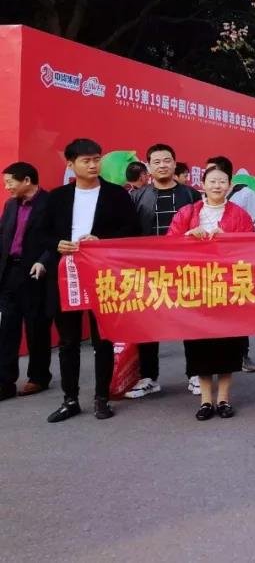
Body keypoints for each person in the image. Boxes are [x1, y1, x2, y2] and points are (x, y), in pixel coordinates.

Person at [41, 139, 139, 422]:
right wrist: (57, 243)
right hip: (66, 274)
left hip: (102, 274)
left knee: (103, 339)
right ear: (71, 164)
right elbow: (41, 233)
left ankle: (101, 397)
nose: (93, 165)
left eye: (96, 159)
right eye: (86, 161)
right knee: (68, 341)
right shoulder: (57, 197)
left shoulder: (116, 195)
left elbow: (132, 230)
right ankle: (70, 399)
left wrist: (101, 241)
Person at [166, 163, 255, 420]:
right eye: (212, 181)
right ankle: (205, 400)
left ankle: (224, 399)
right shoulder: (187, 212)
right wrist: (187, 236)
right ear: (202, 185)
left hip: (228, 287)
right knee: (199, 345)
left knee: (228, 344)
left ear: (229, 185)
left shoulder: (239, 214)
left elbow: (251, 246)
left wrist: (227, 237)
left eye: (222, 181)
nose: (217, 186)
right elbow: (169, 244)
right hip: (195, 287)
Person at [125, 143, 199, 399]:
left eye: (167, 160)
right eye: (156, 162)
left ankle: (195, 373)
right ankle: (148, 377)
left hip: (186, 268)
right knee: (147, 323)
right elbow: (128, 233)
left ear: (174, 163)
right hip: (148, 269)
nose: (162, 165)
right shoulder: (137, 196)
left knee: (190, 321)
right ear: (148, 167)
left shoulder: (191, 195)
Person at [0, 162, 52, 400]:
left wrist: (44, 261)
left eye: (10, 182)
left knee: (36, 327)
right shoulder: (10, 205)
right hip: (10, 273)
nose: (7, 187)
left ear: (27, 181)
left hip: (35, 272)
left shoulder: (50, 203)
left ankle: (38, 377)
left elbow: (57, 239)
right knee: (7, 329)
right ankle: (5, 382)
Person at [207, 155, 255, 373]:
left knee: (237, 311)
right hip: (207, 268)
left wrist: (232, 238)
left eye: (215, 173)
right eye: (208, 175)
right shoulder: (197, 206)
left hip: (235, 263)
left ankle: (242, 355)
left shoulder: (245, 194)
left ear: (227, 179)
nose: (212, 180)